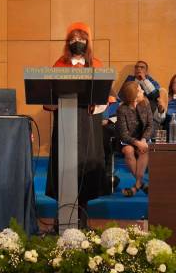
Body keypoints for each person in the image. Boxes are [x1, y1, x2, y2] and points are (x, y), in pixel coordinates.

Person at [45, 22, 108, 229]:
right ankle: (62, 216)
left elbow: (106, 95)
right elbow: (50, 94)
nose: (77, 42)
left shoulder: (96, 64)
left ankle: (82, 216)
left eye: (81, 39)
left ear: (87, 42)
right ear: (67, 43)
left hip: (88, 124)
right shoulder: (60, 65)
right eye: (73, 39)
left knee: (86, 167)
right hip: (66, 123)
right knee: (64, 167)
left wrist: (96, 105)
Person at [117, 81, 162, 197]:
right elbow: (123, 134)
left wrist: (143, 140)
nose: (143, 91)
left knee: (144, 149)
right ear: (134, 95)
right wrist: (136, 142)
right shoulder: (122, 109)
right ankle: (141, 184)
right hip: (127, 140)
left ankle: (136, 186)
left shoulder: (145, 103)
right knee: (129, 150)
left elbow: (150, 125)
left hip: (142, 138)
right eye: (140, 90)